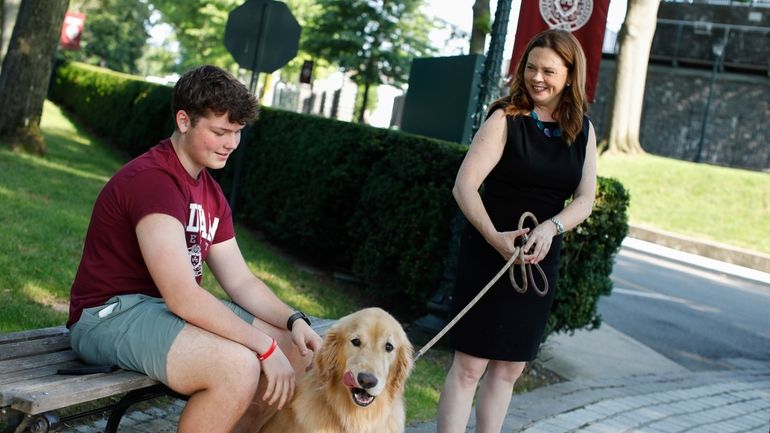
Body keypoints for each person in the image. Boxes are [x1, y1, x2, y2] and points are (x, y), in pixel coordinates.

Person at [66, 65, 322, 433]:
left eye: (237, 133)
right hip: (108, 316)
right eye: (220, 131)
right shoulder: (154, 181)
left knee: (295, 349)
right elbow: (183, 297)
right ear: (184, 121)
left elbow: (242, 282)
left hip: (157, 312)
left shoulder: (210, 192)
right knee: (237, 365)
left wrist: (293, 320)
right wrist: (263, 347)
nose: (231, 143)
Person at [436, 29, 597, 433]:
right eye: (531, 67)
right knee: (470, 365)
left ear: (570, 74)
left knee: (510, 368)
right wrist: (495, 237)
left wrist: (551, 228)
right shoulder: (505, 118)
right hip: (491, 249)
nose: (537, 78)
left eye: (549, 71)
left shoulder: (583, 130)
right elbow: (464, 185)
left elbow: (585, 199)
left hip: (539, 258)